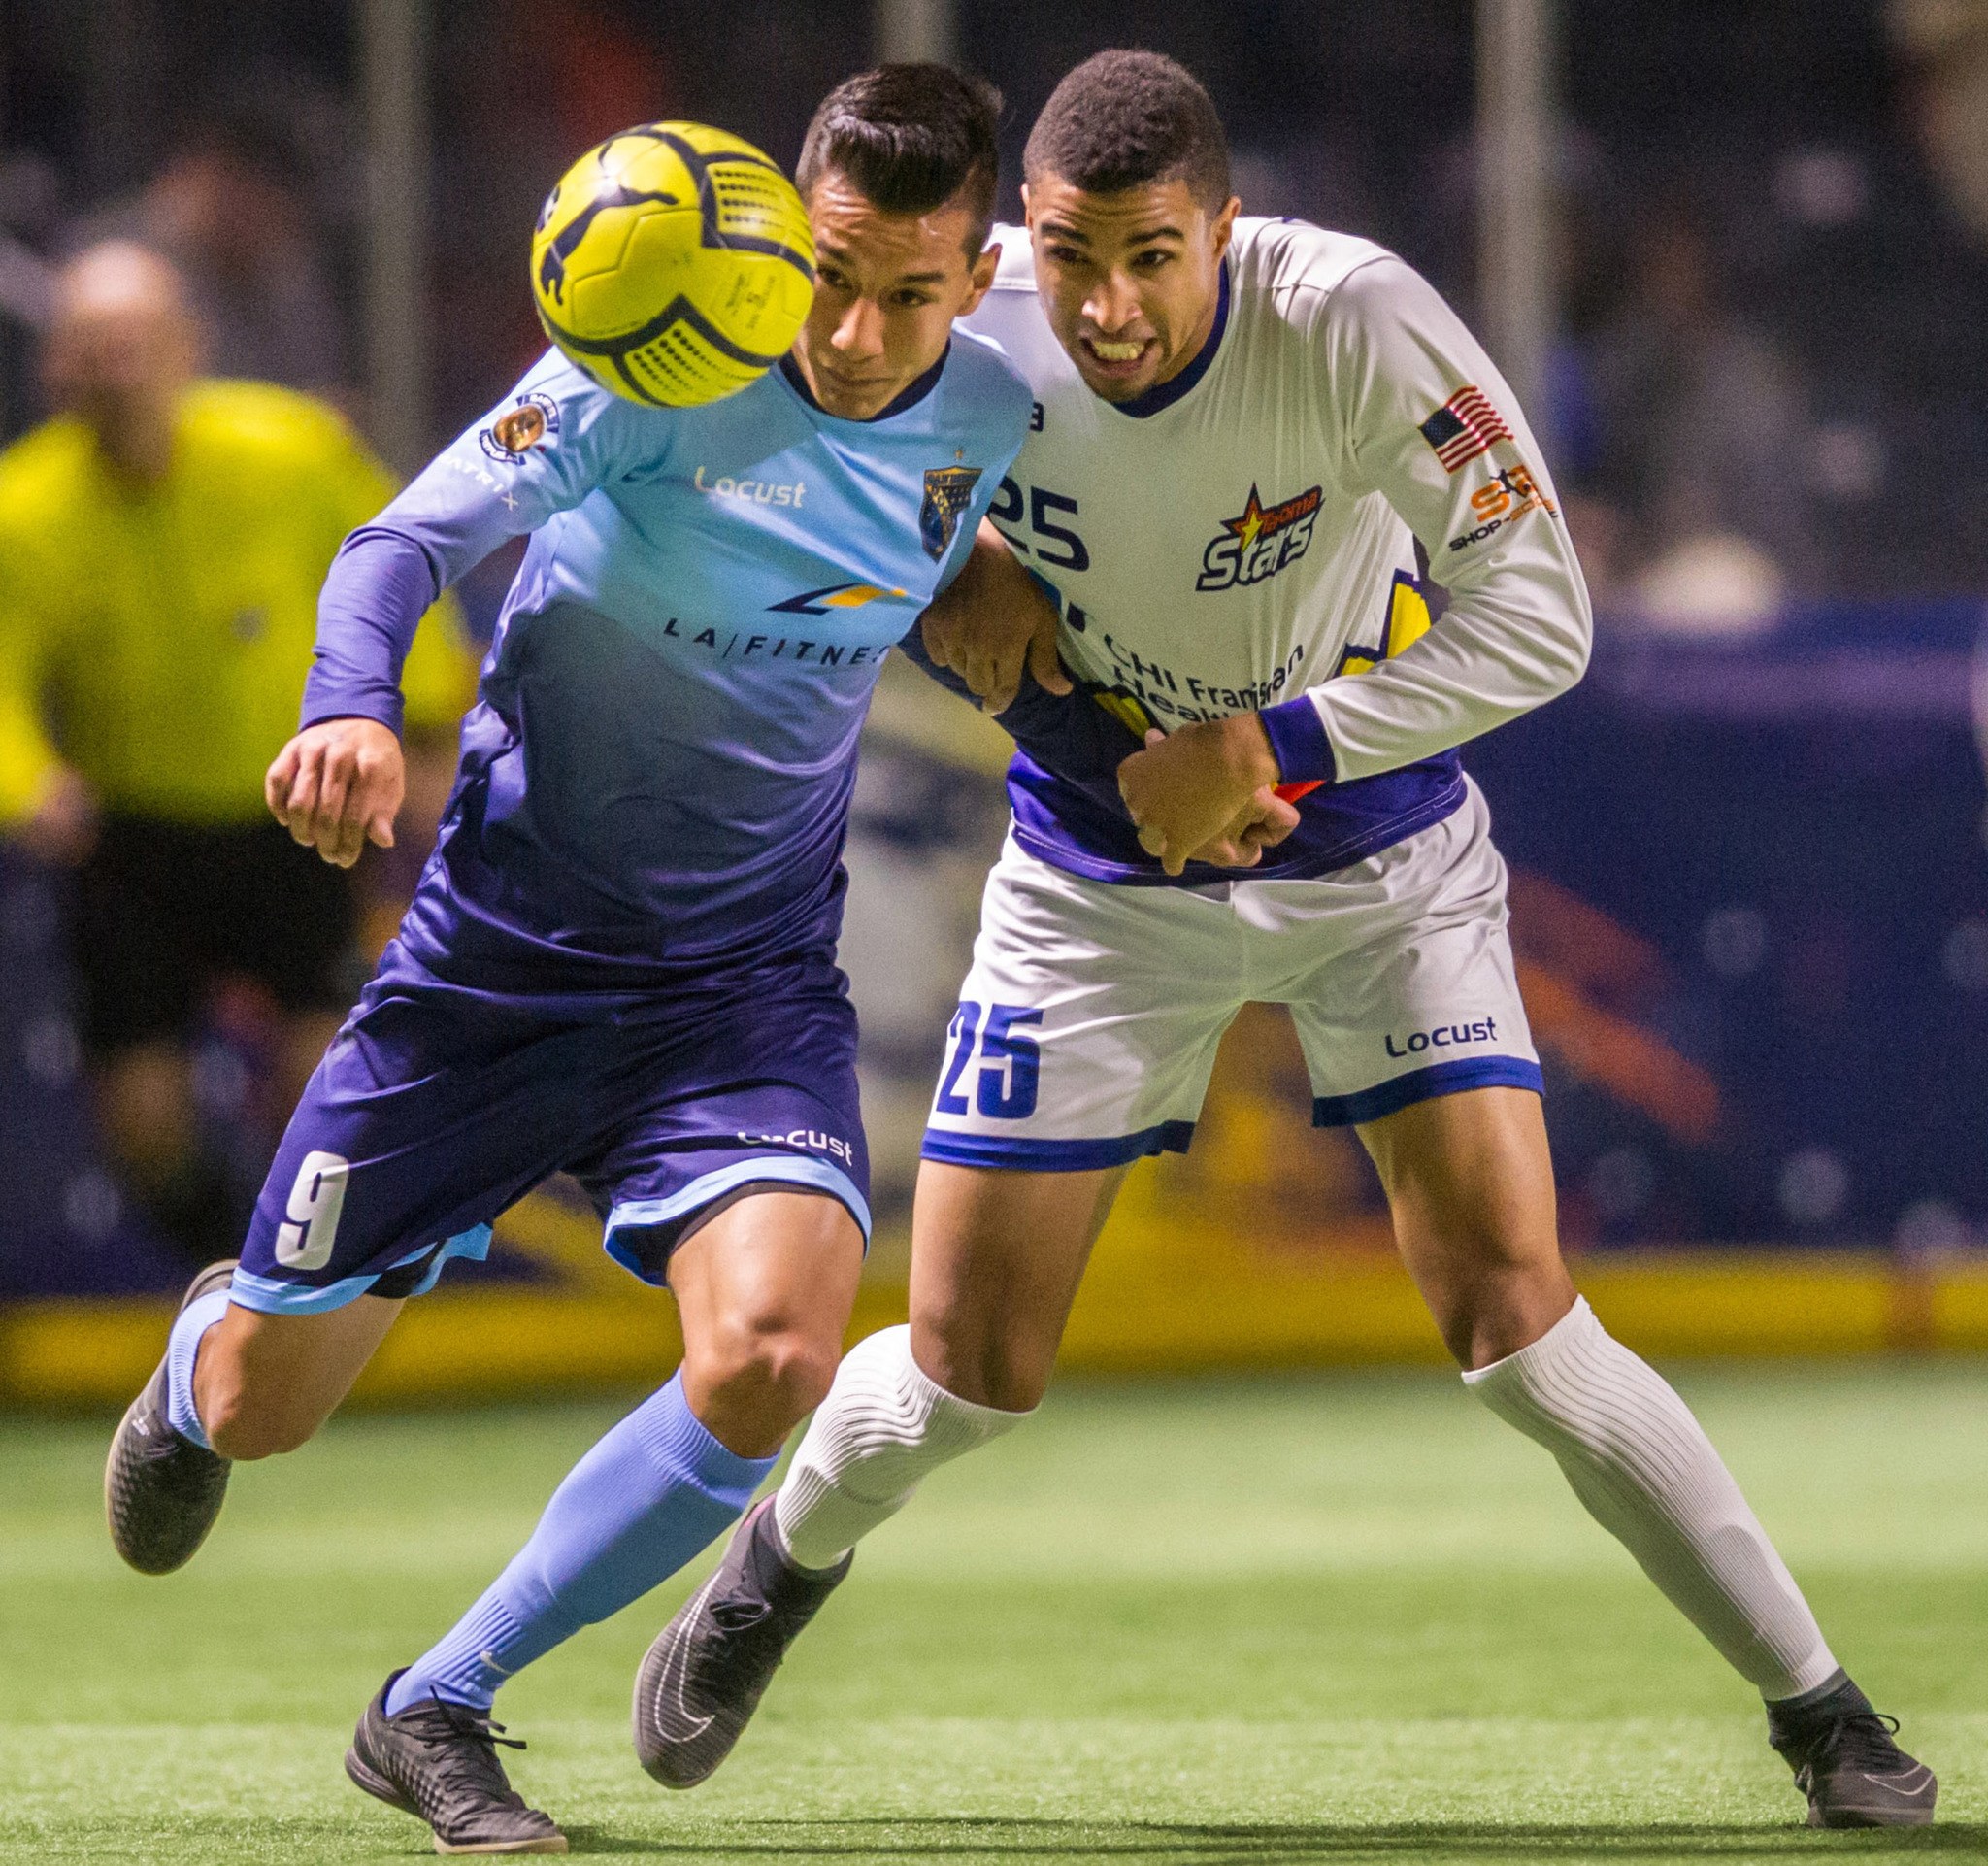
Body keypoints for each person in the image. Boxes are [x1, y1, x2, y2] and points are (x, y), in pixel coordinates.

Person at [638, 50, 1937, 1832]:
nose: (1107, 305)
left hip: (1373, 863)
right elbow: (804, 493)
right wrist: (949, 588)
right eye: (1071, 253)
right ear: (1023, 230)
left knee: (1516, 1322)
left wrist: (1276, 747)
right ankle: (775, 1562)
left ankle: (1821, 1711)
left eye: (1153, 256)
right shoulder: (963, 327)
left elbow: (1542, 614)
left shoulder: (1354, 321)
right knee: (965, 1367)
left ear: (1224, 230)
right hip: (1094, 884)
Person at [102, 67, 1057, 1856]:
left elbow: (987, 530)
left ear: (978, 266)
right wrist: (350, 713)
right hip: (493, 973)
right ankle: (197, 1365)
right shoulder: (656, 363)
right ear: (787, 219)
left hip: (740, 988)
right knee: (261, 1407)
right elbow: (402, 542)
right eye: (831, 272)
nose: (858, 332)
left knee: (776, 1351)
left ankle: (436, 1700)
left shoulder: (1006, 405)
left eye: (912, 292)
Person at [0, 242, 472, 1262]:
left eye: (139, 344)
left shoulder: (291, 450)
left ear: (189, 348)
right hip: (128, 841)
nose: (119, 371)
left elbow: (398, 573)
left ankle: (298, 1273)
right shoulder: (23, 509)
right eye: (94, 349)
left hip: (297, 816)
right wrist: (28, 783)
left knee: (322, 1082)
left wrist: (428, 725)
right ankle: (220, 1270)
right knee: (145, 1120)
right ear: (56, 370)